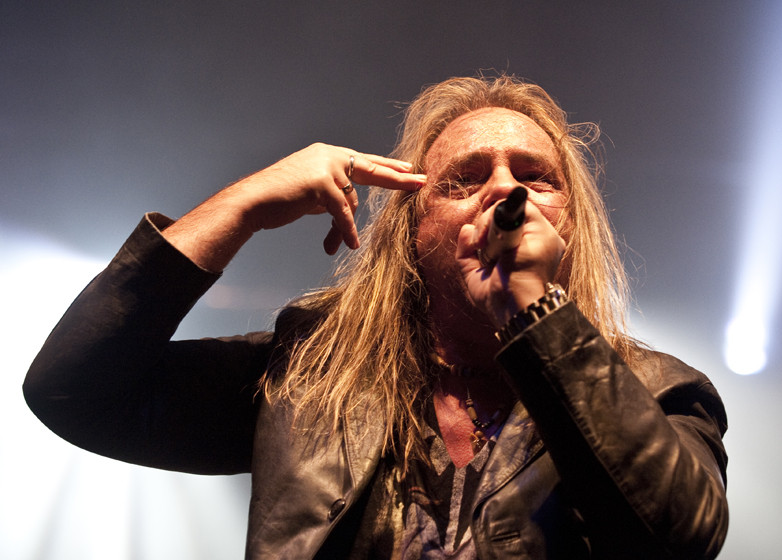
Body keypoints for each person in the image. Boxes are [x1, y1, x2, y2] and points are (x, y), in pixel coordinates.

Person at [23, 75, 729, 559]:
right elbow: (75, 391)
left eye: (534, 177)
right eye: (465, 178)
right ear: (414, 232)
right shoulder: (310, 379)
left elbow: (679, 538)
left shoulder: (659, 391)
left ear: (570, 221)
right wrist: (242, 207)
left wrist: (536, 311)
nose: (503, 191)